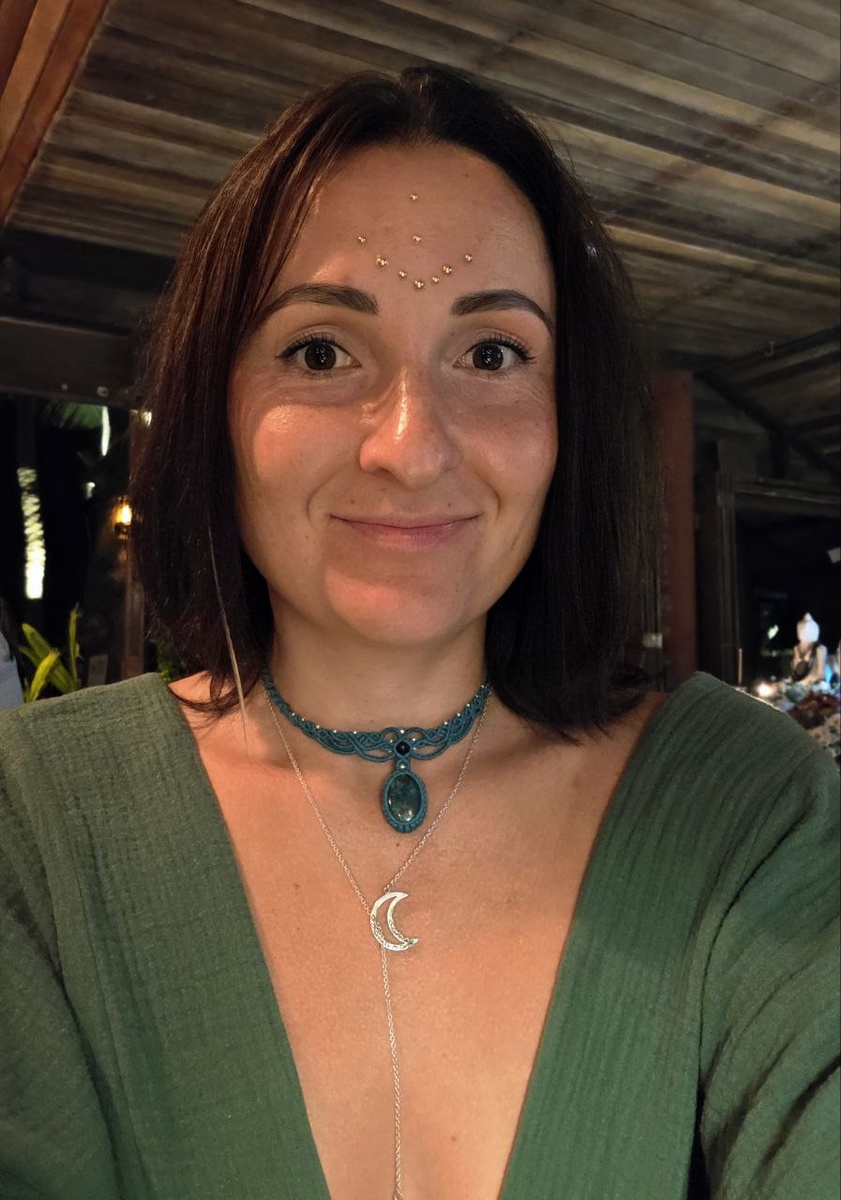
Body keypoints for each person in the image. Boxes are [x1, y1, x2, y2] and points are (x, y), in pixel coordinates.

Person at [0, 67, 837, 1200]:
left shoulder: (745, 813)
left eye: (491, 354)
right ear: (215, 405)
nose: (409, 446)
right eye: (320, 352)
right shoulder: (36, 827)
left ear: (568, 417)